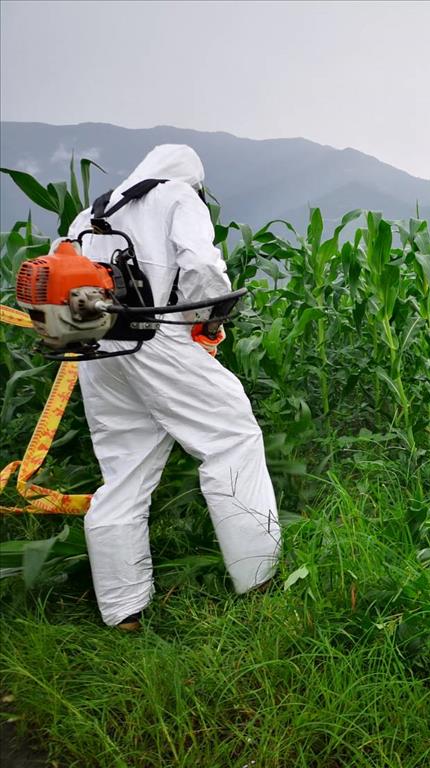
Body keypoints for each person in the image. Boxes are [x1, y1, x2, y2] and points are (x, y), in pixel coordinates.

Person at [67, 145, 280, 630]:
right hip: (155, 336)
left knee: (123, 473)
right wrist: (205, 323)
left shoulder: (88, 215)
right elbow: (203, 269)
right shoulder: (177, 197)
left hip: (98, 350)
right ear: (189, 177)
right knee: (232, 439)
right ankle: (260, 581)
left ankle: (123, 612)